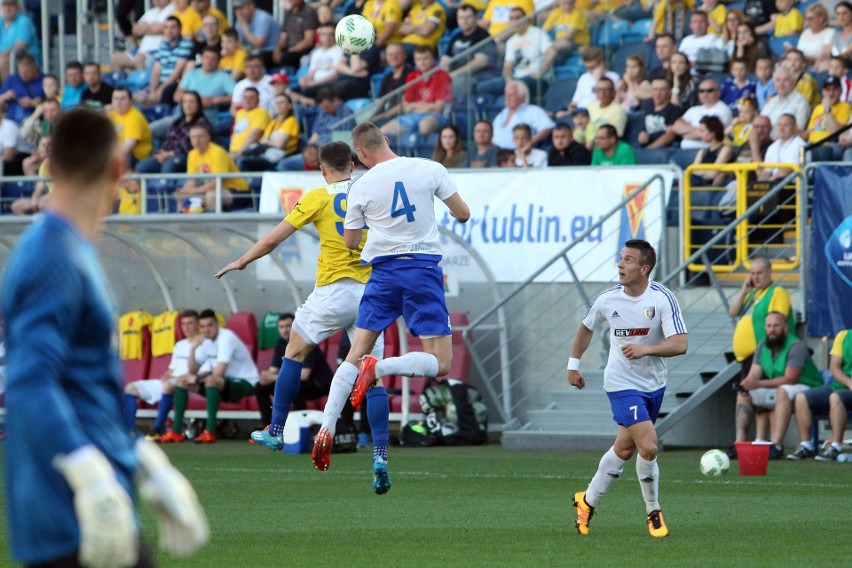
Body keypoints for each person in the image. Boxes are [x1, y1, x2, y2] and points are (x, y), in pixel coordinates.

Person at [2, 107, 208, 567]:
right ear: (119, 170)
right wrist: (88, 476)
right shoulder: (53, 256)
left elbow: (83, 386)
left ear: (49, 167)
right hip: (71, 511)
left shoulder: (67, 248)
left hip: (92, 502)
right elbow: (31, 383)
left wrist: (145, 461)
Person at [214, 141, 389, 489]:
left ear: (322, 170)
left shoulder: (317, 197)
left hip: (333, 291)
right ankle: (380, 455)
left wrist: (242, 260)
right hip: (371, 293)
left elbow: (273, 240)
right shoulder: (373, 191)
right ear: (353, 166)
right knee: (373, 374)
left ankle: (276, 430)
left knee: (293, 351)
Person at [310, 122, 470, 478]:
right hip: (421, 270)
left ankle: (328, 427)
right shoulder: (429, 168)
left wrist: (377, 223)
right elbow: (463, 213)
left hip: (381, 274)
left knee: (355, 352)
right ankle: (380, 369)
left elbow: (351, 242)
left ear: (361, 155)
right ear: (387, 141)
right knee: (440, 362)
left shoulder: (361, 185)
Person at [568, 239, 688, 538]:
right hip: (621, 384)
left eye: (629, 260)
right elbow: (586, 327)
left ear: (645, 268)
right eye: (621, 259)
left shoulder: (662, 298)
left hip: (653, 385)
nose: (621, 265)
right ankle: (653, 511)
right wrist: (573, 365)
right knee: (648, 446)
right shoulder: (608, 299)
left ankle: (587, 501)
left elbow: (680, 344)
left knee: (623, 448)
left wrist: (646, 350)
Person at [159, 309, 258, 444]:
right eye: (203, 326)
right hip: (223, 385)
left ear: (217, 324)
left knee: (211, 380)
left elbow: (219, 373)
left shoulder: (226, 337)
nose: (206, 329)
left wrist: (196, 379)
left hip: (245, 383)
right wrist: (193, 349)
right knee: (181, 382)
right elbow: (192, 370)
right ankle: (176, 432)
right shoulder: (205, 341)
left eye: (210, 325)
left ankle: (210, 431)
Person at [732, 312, 822, 459]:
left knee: (783, 390)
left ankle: (776, 445)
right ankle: (739, 444)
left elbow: (790, 379)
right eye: (769, 326)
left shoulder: (796, 346)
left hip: (807, 387)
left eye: (776, 325)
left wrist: (757, 383)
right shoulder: (762, 346)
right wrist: (747, 384)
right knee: (744, 394)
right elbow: (754, 373)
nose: (772, 329)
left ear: (785, 328)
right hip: (781, 388)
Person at [727, 256, 794, 448]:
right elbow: (733, 312)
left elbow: (776, 320)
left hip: (765, 355)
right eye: (752, 273)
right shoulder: (753, 294)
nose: (755, 277)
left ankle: (764, 442)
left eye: (759, 273)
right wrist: (743, 291)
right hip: (747, 357)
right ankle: (746, 442)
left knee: (762, 397)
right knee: (749, 394)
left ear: (769, 272)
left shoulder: (777, 292)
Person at [251, 313, 350, 427]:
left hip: (319, 384)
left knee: (295, 386)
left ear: (295, 326)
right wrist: (266, 377)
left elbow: (304, 375)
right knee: (260, 387)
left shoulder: (305, 342)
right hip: (299, 382)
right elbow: (273, 369)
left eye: (288, 326)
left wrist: (273, 377)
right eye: (281, 327)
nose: (285, 330)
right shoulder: (281, 343)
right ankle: (269, 427)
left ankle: (301, 428)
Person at [123, 309, 210, 439]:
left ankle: (157, 429)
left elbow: (205, 371)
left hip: (187, 384)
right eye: (183, 324)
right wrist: (167, 374)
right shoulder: (179, 345)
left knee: (167, 386)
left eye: (190, 323)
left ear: (198, 324)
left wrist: (179, 377)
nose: (186, 327)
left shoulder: (206, 343)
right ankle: (128, 431)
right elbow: (172, 369)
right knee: (129, 388)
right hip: (171, 382)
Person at [786, 328, 852, 461]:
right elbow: (834, 367)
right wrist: (849, 382)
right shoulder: (844, 336)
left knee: (835, 397)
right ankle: (806, 446)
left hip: (840, 394)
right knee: (801, 397)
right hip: (840, 387)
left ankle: (836, 447)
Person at [135, 90, 211, 177]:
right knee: (141, 167)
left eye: (191, 102)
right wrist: (161, 153)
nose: (188, 105)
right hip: (166, 154)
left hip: (186, 156)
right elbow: (168, 140)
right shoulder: (177, 122)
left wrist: (170, 154)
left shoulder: (202, 123)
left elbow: (195, 146)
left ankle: (167, 190)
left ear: (198, 104)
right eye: (185, 102)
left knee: (168, 167)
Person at [176, 123, 249, 211]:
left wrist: (192, 191)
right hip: (212, 190)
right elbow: (192, 180)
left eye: (200, 136)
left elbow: (216, 183)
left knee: (211, 195)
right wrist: (183, 192)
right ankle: (184, 222)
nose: (197, 140)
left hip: (238, 191)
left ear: (208, 137)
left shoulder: (217, 153)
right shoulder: (192, 154)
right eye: (193, 137)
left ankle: (213, 224)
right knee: (181, 196)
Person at [380, 46, 450, 137]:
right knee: (382, 132)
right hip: (412, 116)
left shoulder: (442, 76)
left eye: (426, 58)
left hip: (434, 116)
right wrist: (427, 107)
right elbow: (406, 106)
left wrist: (414, 106)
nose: (422, 62)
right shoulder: (412, 76)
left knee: (424, 126)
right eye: (419, 59)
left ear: (433, 58)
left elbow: (438, 108)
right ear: (415, 61)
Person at [441, 3, 499, 103]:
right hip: (457, 73)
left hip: (479, 75)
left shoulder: (483, 36)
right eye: (461, 18)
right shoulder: (456, 37)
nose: (464, 21)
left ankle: (459, 112)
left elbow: (480, 62)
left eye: (467, 17)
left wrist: (455, 74)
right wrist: (444, 75)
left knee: (459, 81)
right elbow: (445, 59)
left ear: (475, 18)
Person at [136, 16, 193, 107]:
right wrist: (152, 91)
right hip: (161, 82)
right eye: (166, 27)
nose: (169, 31)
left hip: (175, 83)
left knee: (161, 95)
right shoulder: (162, 45)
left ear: (180, 28)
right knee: (137, 97)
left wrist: (159, 91)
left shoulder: (186, 43)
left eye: (173, 27)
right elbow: (156, 71)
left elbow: (177, 72)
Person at [109, 0, 175, 72]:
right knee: (115, 59)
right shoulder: (151, 12)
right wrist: (152, 28)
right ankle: (119, 81)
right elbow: (134, 29)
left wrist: (146, 28)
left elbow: (159, 28)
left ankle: (141, 82)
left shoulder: (173, 9)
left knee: (140, 58)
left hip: (158, 51)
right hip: (142, 50)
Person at [670, 79, 733, 151]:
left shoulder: (723, 110)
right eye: (701, 91)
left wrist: (684, 134)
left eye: (709, 90)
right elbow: (675, 126)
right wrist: (701, 130)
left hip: (708, 150)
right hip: (684, 150)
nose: (705, 94)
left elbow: (711, 134)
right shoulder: (693, 109)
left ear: (718, 92)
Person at [492, 80, 554, 150]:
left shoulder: (532, 110)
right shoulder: (502, 113)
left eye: (511, 95)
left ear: (523, 97)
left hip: (517, 153)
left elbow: (547, 127)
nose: (507, 98)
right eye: (506, 95)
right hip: (497, 153)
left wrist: (529, 142)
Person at [803, 76, 851, 161]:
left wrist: (827, 110)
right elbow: (810, 132)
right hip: (811, 143)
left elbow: (837, 133)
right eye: (828, 90)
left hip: (829, 145)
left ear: (841, 91)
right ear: (823, 92)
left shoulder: (845, 107)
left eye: (835, 89)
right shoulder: (818, 108)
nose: (831, 93)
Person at [108, 87, 153, 167]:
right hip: (119, 154)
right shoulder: (111, 115)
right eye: (115, 99)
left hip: (137, 158)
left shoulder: (134, 117)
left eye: (122, 99)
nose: (118, 103)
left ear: (130, 101)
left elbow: (127, 147)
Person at [298, 23, 344, 99]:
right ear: (320, 36)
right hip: (315, 85)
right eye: (324, 34)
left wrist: (314, 84)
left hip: (331, 84)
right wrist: (304, 79)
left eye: (331, 34)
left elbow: (336, 75)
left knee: (306, 94)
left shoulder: (341, 51)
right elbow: (311, 72)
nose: (328, 37)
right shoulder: (316, 53)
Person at [568, 46, 619, 112]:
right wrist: (570, 109)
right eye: (587, 68)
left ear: (601, 63)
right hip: (581, 113)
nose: (589, 71)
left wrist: (598, 79)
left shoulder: (614, 77)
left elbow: (608, 102)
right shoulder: (584, 78)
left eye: (592, 67)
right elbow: (575, 101)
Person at [272, 0, 318, 69]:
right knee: (264, 58)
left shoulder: (308, 12)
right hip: (288, 49)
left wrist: (291, 50)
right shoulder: (288, 12)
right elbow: (283, 36)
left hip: (302, 50)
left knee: (285, 57)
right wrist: (277, 50)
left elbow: (309, 41)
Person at [0, 0, 39, 81]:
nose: (7, 8)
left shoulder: (23, 21)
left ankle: (5, 89)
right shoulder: (1, 22)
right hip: (4, 56)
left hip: (22, 57)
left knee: (3, 60)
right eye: (5, 5)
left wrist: (1, 55)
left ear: (17, 7)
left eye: (11, 5)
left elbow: (20, 46)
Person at [583, 77, 627, 149]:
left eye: (606, 90)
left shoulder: (618, 112)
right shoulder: (591, 106)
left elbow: (613, 140)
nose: (602, 93)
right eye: (599, 90)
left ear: (613, 92)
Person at [759, 113, 805, 181]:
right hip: (776, 185)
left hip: (793, 187)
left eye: (786, 125)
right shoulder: (772, 147)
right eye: (779, 125)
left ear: (794, 127)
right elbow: (766, 172)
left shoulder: (800, 144)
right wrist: (759, 187)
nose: (781, 128)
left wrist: (768, 185)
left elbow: (786, 171)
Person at [638, 78, 682, 150]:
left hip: (664, 150)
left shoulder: (674, 110)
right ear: (651, 92)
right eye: (655, 89)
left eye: (662, 90)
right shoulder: (647, 110)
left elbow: (671, 135)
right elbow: (643, 131)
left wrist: (650, 149)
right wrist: (641, 136)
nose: (658, 93)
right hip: (646, 149)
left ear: (669, 92)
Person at [234, 0, 280, 67]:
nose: (239, 11)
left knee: (253, 57)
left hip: (270, 51)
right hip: (252, 51)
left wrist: (244, 26)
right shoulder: (240, 21)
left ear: (251, 6)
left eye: (242, 7)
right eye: (236, 8)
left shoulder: (262, 18)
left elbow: (258, 44)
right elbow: (238, 43)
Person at [689, 115, 733, 186]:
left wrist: (700, 172)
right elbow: (693, 170)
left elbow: (713, 173)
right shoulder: (703, 151)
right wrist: (705, 172)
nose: (699, 135)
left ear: (713, 133)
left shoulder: (725, 149)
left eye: (702, 131)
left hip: (708, 184)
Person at [228, 87, 271, 159]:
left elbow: (255, 134)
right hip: (233, 151)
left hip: (248, 153)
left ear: (258, 100)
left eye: (251, 98)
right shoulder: (240, 113)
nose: (247, 100)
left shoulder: (262, 112)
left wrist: (239, 152)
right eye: (245, 98)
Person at [796, 3, 834, 71]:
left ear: (821, 18)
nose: (807, 23)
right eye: (806, 19)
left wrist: (807, 60)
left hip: (818, 64)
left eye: (810, 19)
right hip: (800, 64)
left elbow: (825, 55)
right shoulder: (805, 32)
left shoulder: (830, 32)